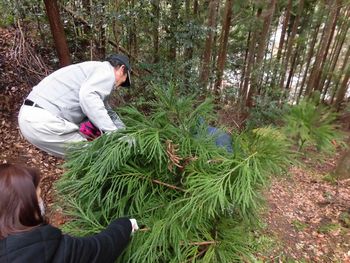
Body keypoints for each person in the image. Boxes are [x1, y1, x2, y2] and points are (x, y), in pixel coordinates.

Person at [0, 163, 139, 262]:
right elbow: (100, 249)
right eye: (39, 197)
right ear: (26, 208)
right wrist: (125, 225)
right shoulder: (50, 248)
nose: (43, 202)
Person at [18, 54, 132, 158]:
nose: (117, 87)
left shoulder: (93, 72)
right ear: (121, 69)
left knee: (83, 158)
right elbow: (88, 97)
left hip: (31, 117)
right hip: (43, 120)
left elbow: (107, 112)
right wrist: (114, 135)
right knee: (97, 157)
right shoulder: (106, 72)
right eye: (123, 82)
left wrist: (125, 133)